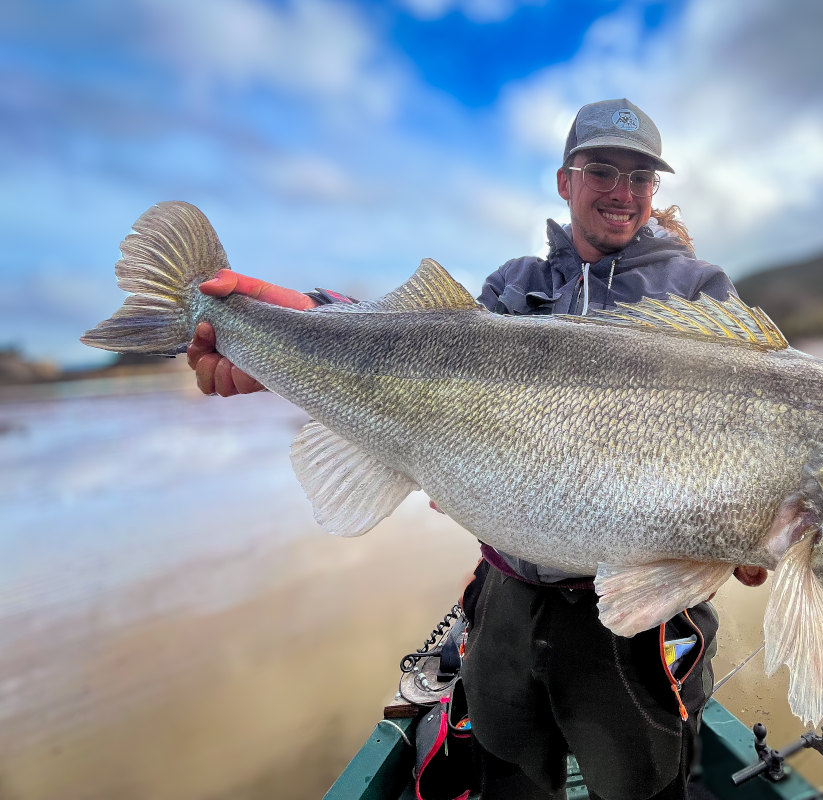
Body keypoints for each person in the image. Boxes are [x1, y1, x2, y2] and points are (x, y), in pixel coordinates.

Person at [185, 98, 766, 799]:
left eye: (641, 177)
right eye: (602, 169)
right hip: (508, 602)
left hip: (637, 620)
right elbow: (412, 342)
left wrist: (750, 525)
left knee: (641, 782)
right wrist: (294, 319)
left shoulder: (699, 295)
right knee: (506, 767)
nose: (622, 191)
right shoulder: (512, 287)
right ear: (564, 181)